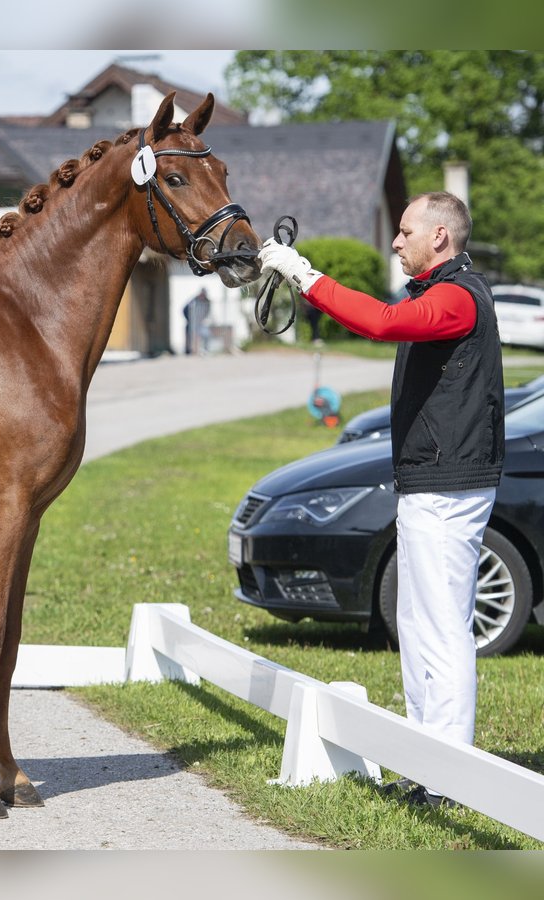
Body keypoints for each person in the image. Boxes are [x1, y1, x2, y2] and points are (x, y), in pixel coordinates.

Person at [260, 191, 502, 808]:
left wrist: (304, 275)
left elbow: (380, 323)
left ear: (440, 237)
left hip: (448, 487)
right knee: (419, 624)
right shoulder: (440, 290)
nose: (394, 241)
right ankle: (428, 763)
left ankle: (449, 778)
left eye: (404, 231)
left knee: (442, 629)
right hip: (432, 482)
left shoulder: (456, 297)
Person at [183, 288, 210, 355]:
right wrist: (189, 319)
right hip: (191, 322)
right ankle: (190, 350)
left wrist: (204, 319)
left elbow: (207, 312)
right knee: (190, 336)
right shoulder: (193, 300)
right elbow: (185, 310)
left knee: (206, 335)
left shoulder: (207, 302)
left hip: (201, 323)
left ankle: (204, 350)